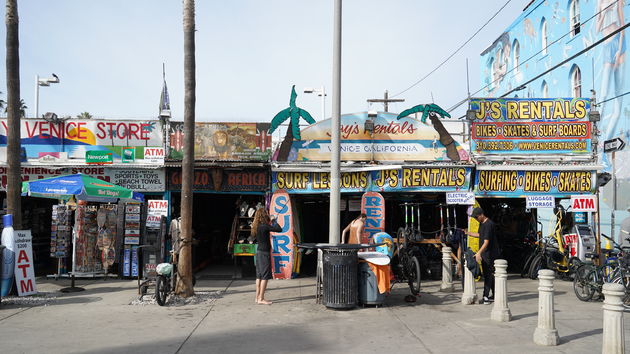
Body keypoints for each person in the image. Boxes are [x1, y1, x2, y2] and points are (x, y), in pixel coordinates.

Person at [468, 207, 500, 305]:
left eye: (477, 217)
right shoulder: (482, 224)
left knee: (487, 275)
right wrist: (468, 233)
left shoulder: (489, 224)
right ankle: (495, 294)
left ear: (482, 215)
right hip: (485, 253)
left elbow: (486, 242)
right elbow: (480, 235)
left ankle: (485, 296)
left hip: (490, 253)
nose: (476, 219)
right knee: (489, 274)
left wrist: (479, 253)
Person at [251, 208, 281, 305]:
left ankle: (257, 297)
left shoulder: (257, 226)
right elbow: (279, 229)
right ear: (264, 215)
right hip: (264, 253)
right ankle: (261, 298)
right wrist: (273, 220)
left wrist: (271, 221)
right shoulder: (264, 226)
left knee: (259, 276)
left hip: (259, 252)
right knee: (264, 277)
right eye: (266, 213)